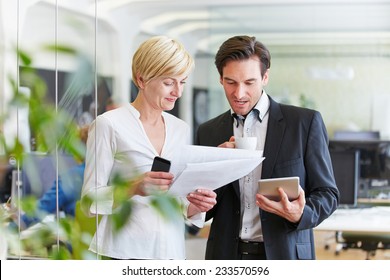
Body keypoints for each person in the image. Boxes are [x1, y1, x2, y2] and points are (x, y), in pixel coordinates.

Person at [196, 35, 339, 260]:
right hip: (226, 257)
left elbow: (328, 193)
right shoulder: (209, 131)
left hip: (286, 255)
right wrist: (213, 174)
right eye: (231, 82)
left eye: (249, 82)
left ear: (265, 77)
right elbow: (204, 208)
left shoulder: (303, 123)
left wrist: (301, 213)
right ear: (220, 79)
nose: (239, 93)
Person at [81, 35, 216, 260]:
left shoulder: (179, 129)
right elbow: (89, 202)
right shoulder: (109, 124)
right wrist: (133, 187)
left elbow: (179, 203)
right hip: (122, 253)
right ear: (142, 80)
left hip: (171, 253)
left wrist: (196, 205)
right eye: (168, 82)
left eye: (182, 82)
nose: (178, 92)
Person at [9, 125, 89, 229]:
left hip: (78, 243)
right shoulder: (113, 176)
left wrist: (9, 230)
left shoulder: (71, 178)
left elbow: (42, 209)